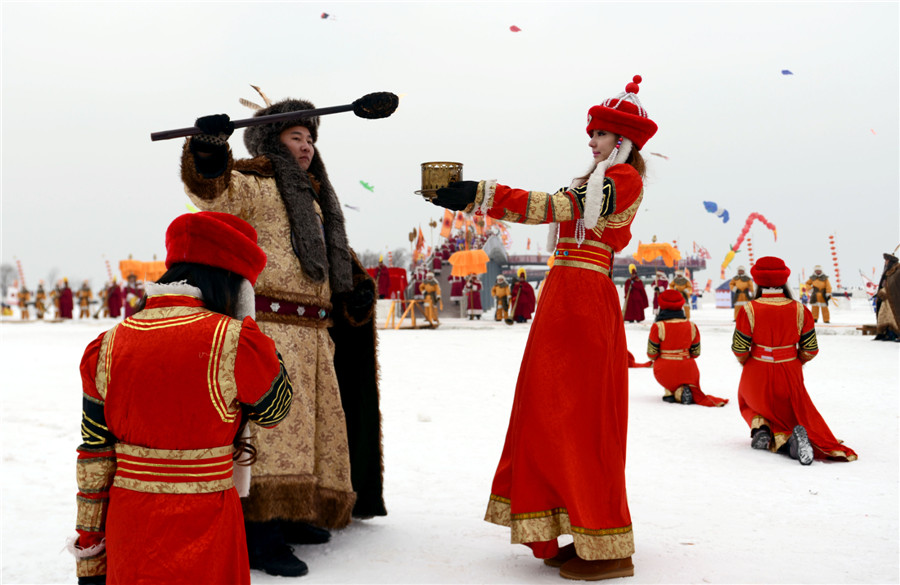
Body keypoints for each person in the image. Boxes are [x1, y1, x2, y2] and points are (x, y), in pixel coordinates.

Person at [431, 74, 657, 581]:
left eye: (599, 133)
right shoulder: (591, 179)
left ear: (622, 140)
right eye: (592, 132)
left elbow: (555, 209)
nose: (591, 140)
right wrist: (471, 199)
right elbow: (554, 206)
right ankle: (566, 524)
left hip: (584, 302)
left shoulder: (624, 181)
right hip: (563, 298)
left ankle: (605, 543)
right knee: (548, 411)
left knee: (579, 418)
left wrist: (480, 193)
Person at [181, 94, 386, 575]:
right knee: (271, 436)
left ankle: (294, 513)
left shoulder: (317, 199)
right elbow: (213, 191)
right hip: (270, 330)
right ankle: (260, 533)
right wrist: (208, 151)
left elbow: (339, 264)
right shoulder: (256, 182)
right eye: (298, 136)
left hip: (315, 336)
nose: (308, 146)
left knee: (313, 433)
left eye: (311, 138)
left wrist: (353, 295)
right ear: (273, 139)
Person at [69, 211, 294, 585]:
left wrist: (90, 550)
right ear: (237, 286)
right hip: (209, 524)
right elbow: (275, 409)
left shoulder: (107, 345)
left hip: (131, 526)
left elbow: (94, 455)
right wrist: (252, 328)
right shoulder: (237, 342)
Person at [732, 256, 856, 465]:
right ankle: (788, 437)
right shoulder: (800, 310)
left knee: (748, 401)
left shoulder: (749, 309)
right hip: (790, 368)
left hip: (756, 368)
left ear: (757, 280)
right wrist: (795, 360)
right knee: (790, 411)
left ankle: (765, 430)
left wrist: (748, 361)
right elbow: (811, 349)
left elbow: (739, 348)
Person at [647, 290, 727, 407]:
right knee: (686, 371)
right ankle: (680, 391)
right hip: (688, 370)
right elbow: (696, 353)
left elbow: (651, 354)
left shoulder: (658, 326)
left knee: (665, 371)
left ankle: (670, 391)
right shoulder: (692, 325)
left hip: (664, 370)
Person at [874, 251, 899, 341]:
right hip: (885, 299)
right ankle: (886, 334)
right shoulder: (888, 272)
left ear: (891, 262)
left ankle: (894, 334)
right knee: (884, 316)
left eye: (886, 261)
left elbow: (894, 285)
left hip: (894, 300)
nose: (885, 263)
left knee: (894, 318)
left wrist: (885, 291)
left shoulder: (897, 271)